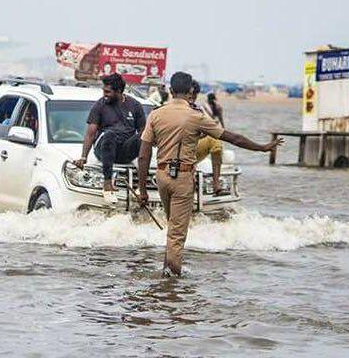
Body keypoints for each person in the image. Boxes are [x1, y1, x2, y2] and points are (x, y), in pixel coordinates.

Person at [136, 71, 282, 276]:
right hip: (183, 177)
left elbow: (143, 156)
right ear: (190, 92)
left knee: (173, 227)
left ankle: (167, 272)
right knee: (177, 233)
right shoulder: (196, 117)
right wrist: (263, 148)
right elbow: (233, 138)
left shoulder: (156, 114)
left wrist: (142, 190)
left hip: (161, 177)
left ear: (170, 91)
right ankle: (171, 282)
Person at [74, 73, 146, 204]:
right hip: (104, 148)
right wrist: (83, 157)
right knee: (110, 135)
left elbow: (143, 132)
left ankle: (141, 187)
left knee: (144, 137)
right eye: (103, 91)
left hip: (125, 151)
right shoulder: (100, 105)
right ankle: (107, 184)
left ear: (118, 91)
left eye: (107, 92)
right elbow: (90, 133)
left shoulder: (135, 106)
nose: (104, 94)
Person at [191, 80, 224, 195]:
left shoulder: (199, 109)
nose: (191, 97)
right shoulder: (169, 109)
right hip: (175, 149)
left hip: (193, 145)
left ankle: (216, 183)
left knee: (216, 141)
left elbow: (214, 126)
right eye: (189, 94)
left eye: (194, 94)